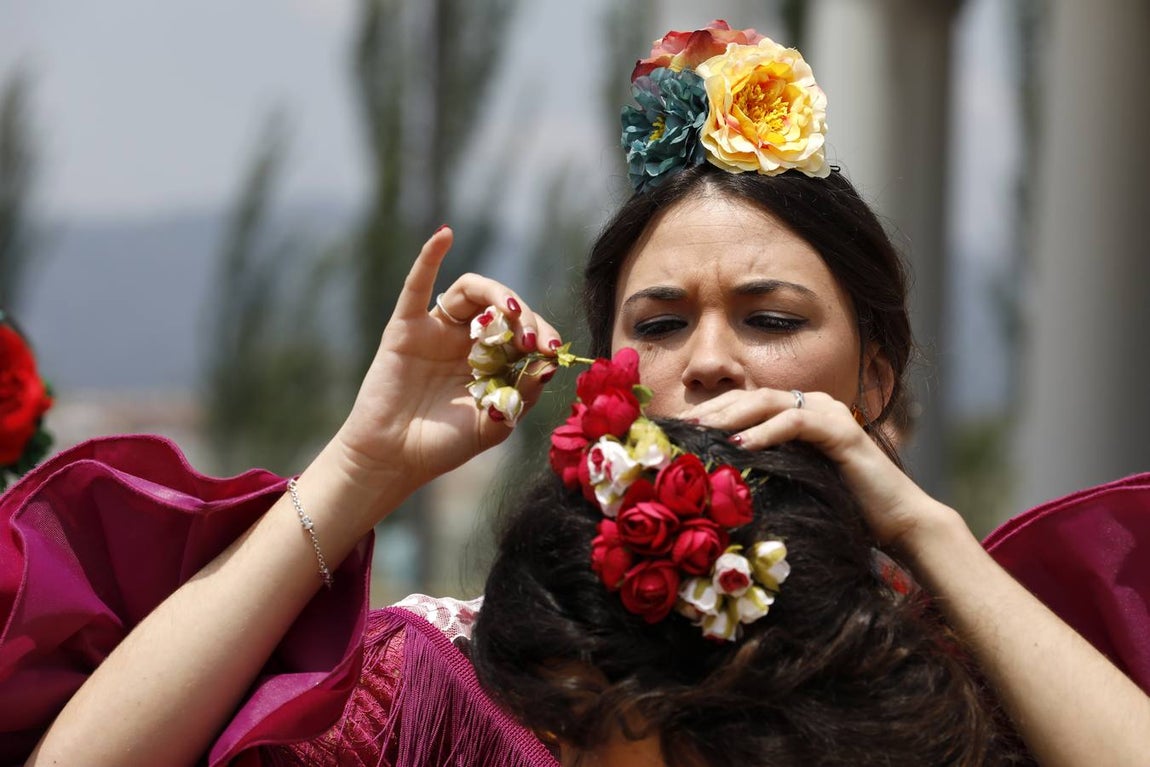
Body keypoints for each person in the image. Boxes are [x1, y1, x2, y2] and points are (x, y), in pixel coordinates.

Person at [6, 19, 1150, 767]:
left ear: (876, 374)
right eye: (658, 323)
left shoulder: (960, 684)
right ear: (604, 372)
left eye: (770, 318)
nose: (709, 360)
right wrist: (362, 466)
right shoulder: (457, 676)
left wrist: (922, 528)